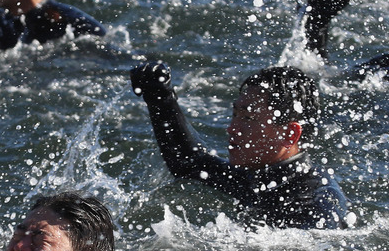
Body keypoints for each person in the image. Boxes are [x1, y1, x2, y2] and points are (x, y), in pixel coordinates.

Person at [128, 62, 348, 229]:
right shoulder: (254, 176)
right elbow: (188, 163)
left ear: (290, 133)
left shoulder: (317, 203)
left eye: (248, 119)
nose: (232, 129)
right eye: (235, 115)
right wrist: (160, 97)